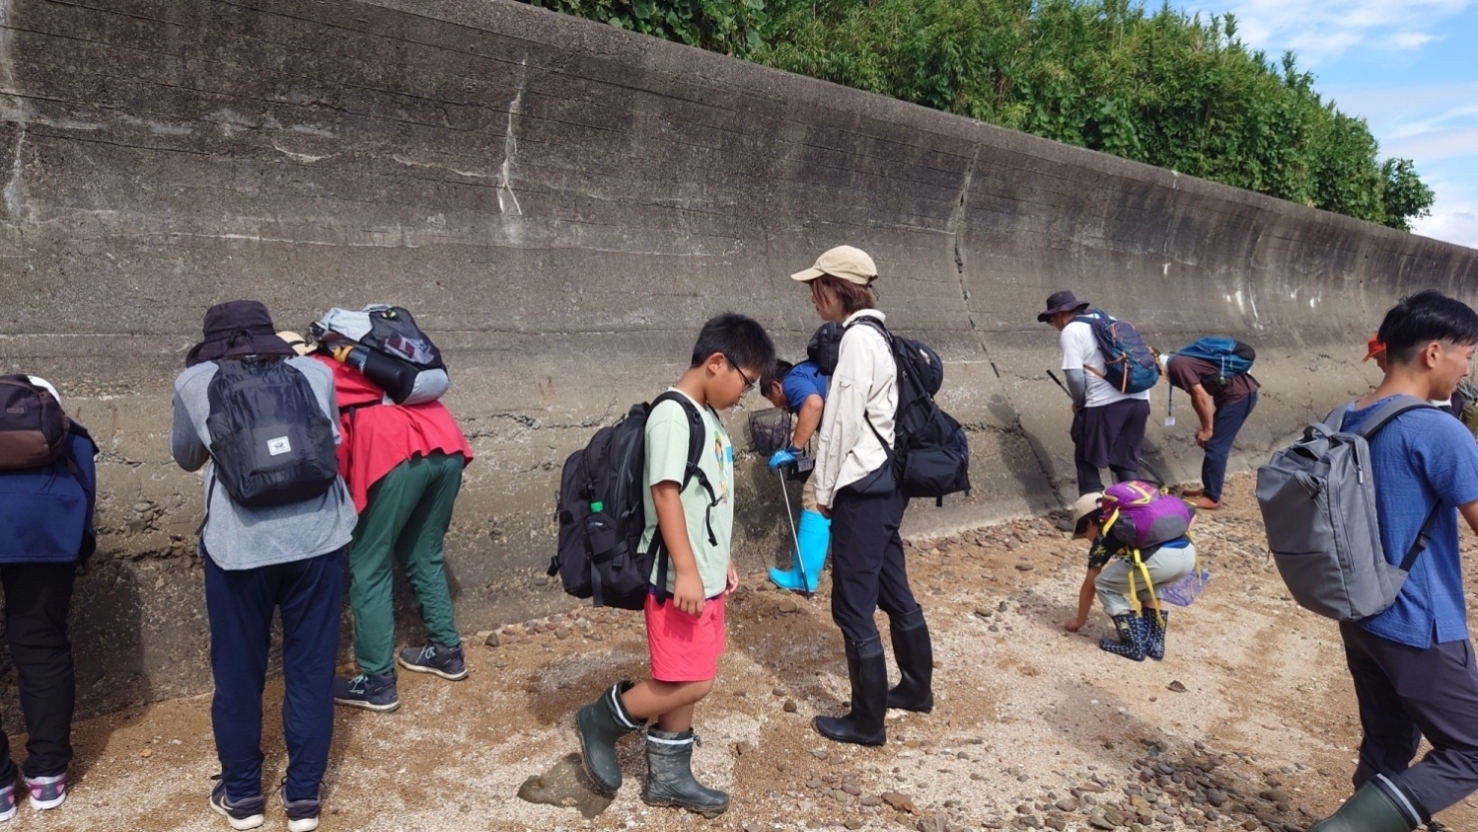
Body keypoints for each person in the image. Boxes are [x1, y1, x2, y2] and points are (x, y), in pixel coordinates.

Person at [574, 313, 775, 818]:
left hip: (703, 574)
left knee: (690, 670)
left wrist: (719, 557)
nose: (745, 394)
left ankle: (668, 776)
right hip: (675, 578)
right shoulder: (673, 413)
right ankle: (601, 719)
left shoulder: (706, 416)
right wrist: (685, 569)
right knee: (694, 679)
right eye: (746, 383)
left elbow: (706, 499)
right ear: (716, 363)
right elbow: (664, 493)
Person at [171, 302, 357, 832]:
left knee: (237, 674)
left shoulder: (195, 379)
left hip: (239, 547)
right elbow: (332, 444)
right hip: (319, 539)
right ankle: (302, 801)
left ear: (211, 341)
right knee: (312, 670)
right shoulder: (315, 371)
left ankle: (244, 797)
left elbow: (187, 456)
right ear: (270, 332)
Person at [1308, 291, 1478, 832]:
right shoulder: (1437, 429)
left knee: (1387, 740)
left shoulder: (1345, 416)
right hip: (1419, 620)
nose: (1467, 368)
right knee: (1474, 748)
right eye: (1467, 355)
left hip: (1360, 611)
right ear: (1434, 353)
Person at [789, 245, 934, 747]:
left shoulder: (854, 341)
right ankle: (915, 689)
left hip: (862, 486)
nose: (813, 295)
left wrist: (822, 493)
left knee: (852, 605)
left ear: (839, 288)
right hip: (889, 484)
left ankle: (866, 721)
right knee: (893, 590)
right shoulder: (881, 336)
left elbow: (840, 426)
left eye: (817, 286)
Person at [302, 328, 476, 713]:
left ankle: (377, 682)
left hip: (392, 451)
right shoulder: (388, 360)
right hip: (444, 440)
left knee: (369, 564)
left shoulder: (315, 367)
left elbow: (329, 440)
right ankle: (447, 652)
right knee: (423, 551)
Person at [0, 376, 97, 818]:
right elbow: (86, 489)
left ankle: (0, 790)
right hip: (46, 535)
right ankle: (47, 777)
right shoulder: (66, 430)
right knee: (41, 647)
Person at [1038, 291, 1151, 495]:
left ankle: (1092, 516)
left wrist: (1080, 402)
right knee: (1125, 462)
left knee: (1086, 458)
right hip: (1140, 399)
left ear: (1061, 314)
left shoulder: (1072, 330)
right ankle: (1135, 516)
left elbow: (1074, 375)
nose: (1052, 325)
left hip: (1105, 403)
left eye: (1051, 320)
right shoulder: (1111, 320)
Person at [1062, 491, 1195, 662]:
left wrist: (1079, 620)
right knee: (1147, 581)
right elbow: (1191, 512)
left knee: (1103, 583)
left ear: (1089, 523)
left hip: (1160, 560)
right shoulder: (1133, 518)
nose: (1086, 538)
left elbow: (1090, 586)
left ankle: (1133, 644)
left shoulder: (1105, 537)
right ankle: (1155, 644)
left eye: (1083, 532)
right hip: (1187, 555)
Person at [760, 337, 831, 593]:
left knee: (815, 498)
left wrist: (793, 450)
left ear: (777, 387)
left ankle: (804, 577)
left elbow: (813, 404)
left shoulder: (793, 381)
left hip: (843, 441)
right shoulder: (813, 373)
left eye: (774, 401)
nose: (781, 408)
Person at [1164, 345, 1260, 509]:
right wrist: (1205, 428)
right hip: (1238, 394)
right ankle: (1209, 489)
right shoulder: (1180, 361)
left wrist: (1207, 430)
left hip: (1239, 397)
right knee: (1213, 444)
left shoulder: (1177, 366)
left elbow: (1201, 396)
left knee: (1216, 446)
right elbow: (1196, 397)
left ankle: (1212, 498)